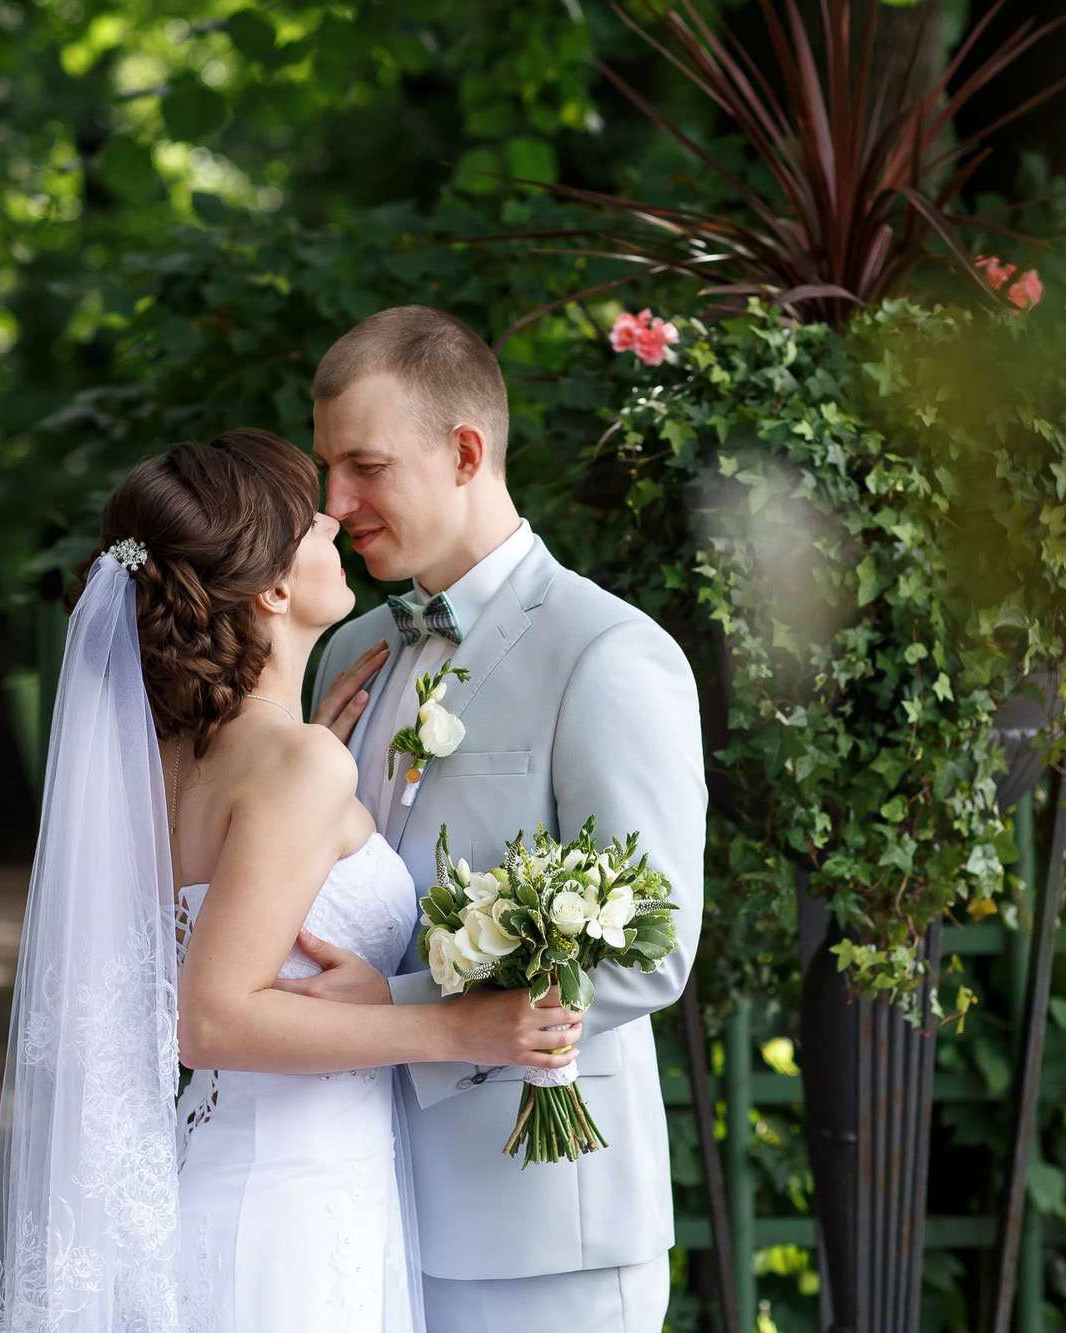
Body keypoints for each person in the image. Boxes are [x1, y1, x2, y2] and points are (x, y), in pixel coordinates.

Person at [0, 428, 583, 1332]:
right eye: (311, 524)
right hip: (293, 1217)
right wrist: (457, 1024)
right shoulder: (294, 766)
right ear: (271, 587)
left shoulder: (176, 760)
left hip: (232, 1181)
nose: (336, 525)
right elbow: (212, 1016)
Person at [300, 307, 707, 1331]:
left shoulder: (606, 653)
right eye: (326, 469)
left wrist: (387, 1011)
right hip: (361, 1204)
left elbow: (647, 951)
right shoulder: (353, 647)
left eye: (363, 466)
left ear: (465, 452)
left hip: (541, 1229)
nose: (334, 503)